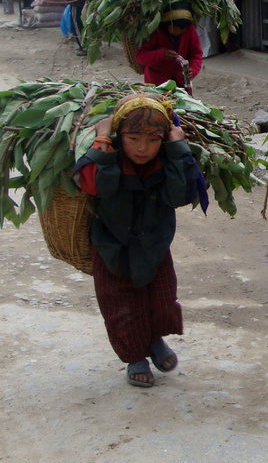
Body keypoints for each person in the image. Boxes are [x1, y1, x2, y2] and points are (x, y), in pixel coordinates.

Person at [73, 93, 205, 387]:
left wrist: (177, 147)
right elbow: (94, 185)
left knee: (161, 297)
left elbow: (181, 195)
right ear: (121, 135)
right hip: (112, 246)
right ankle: (135, 357)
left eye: (153, 140)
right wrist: (103, 140)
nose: (143, 148)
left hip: (154, 245)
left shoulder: (167, 159)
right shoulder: (110, 156)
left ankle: (154, 339)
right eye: (133, 139)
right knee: (119, 304)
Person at [135, 2, 204, 91]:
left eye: (183, 29)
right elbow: (140, 56)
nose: (181, 31)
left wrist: (193, 69)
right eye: (177, 28)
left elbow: (196, 54)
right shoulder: (155, 31)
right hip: (157, 84)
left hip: (182, 84)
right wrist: (161, 54)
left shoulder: (189, 29)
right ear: (168, 24)